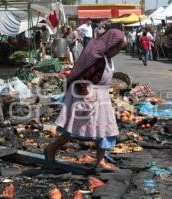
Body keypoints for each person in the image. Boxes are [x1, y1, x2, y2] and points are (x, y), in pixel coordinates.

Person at [44, 29, 127, 170]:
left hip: (101, 97)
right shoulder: (97, 58)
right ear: (111, 45)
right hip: (86, 95)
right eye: (118, 48)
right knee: (74, 127)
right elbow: (82, 77)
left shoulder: (107, 57)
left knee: (106, 129)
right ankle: (51, 148)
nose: (118, 51)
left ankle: (100, 161)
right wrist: (85, 98)